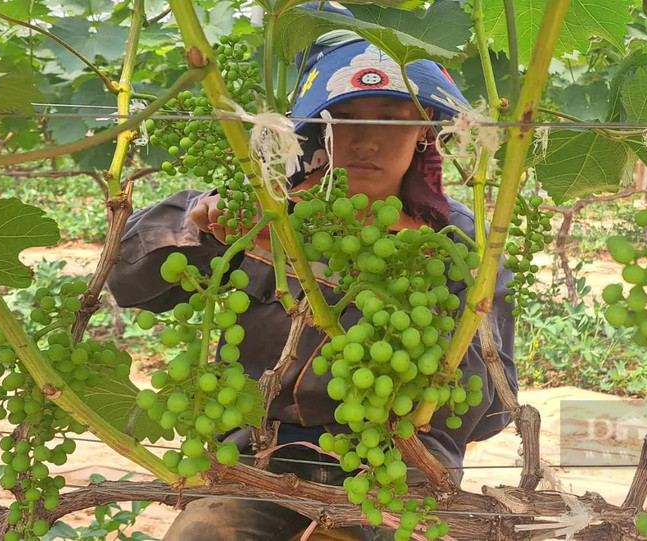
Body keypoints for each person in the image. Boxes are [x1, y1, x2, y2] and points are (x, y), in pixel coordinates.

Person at [108, 11, 518, 540]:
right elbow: (126, 283)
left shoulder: (461, 245)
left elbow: (490, 410)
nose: (367, 138)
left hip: (400, 472)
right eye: (346, 116)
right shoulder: (262, 211)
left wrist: (418, 383)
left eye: (392, 117)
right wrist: (198, 225)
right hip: (258, 462)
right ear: (321, 128)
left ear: (424, 131)